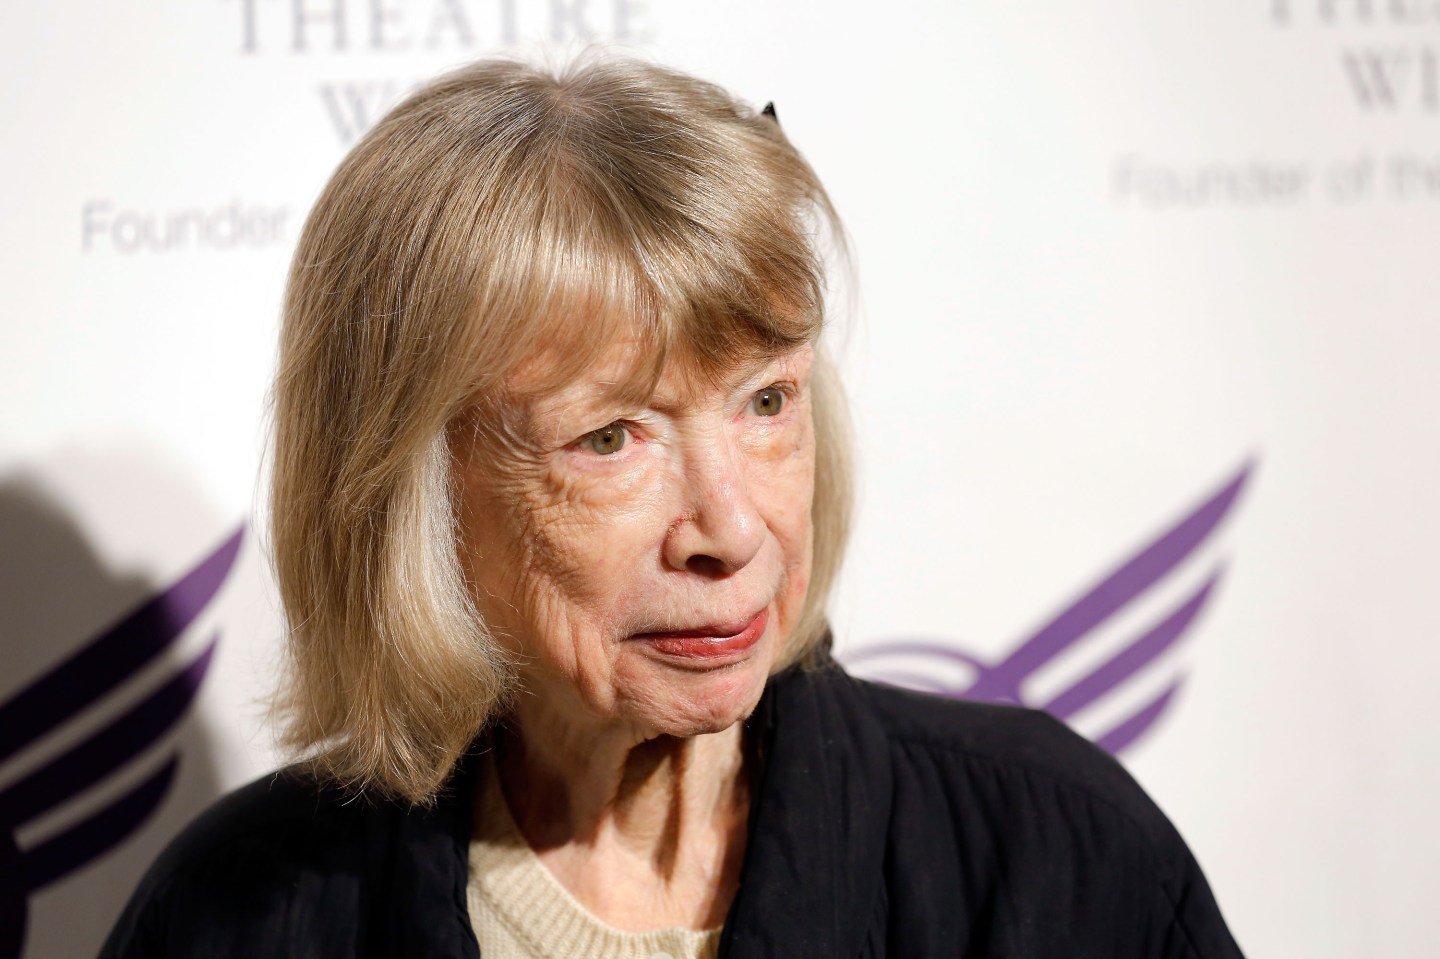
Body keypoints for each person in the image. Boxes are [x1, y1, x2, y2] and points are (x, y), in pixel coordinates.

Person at [100, 54, 1245, 959]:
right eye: (611, 437)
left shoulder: (1052, 852)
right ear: (414, 493)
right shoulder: (236, 917)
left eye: (765, 400)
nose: (734, 528)